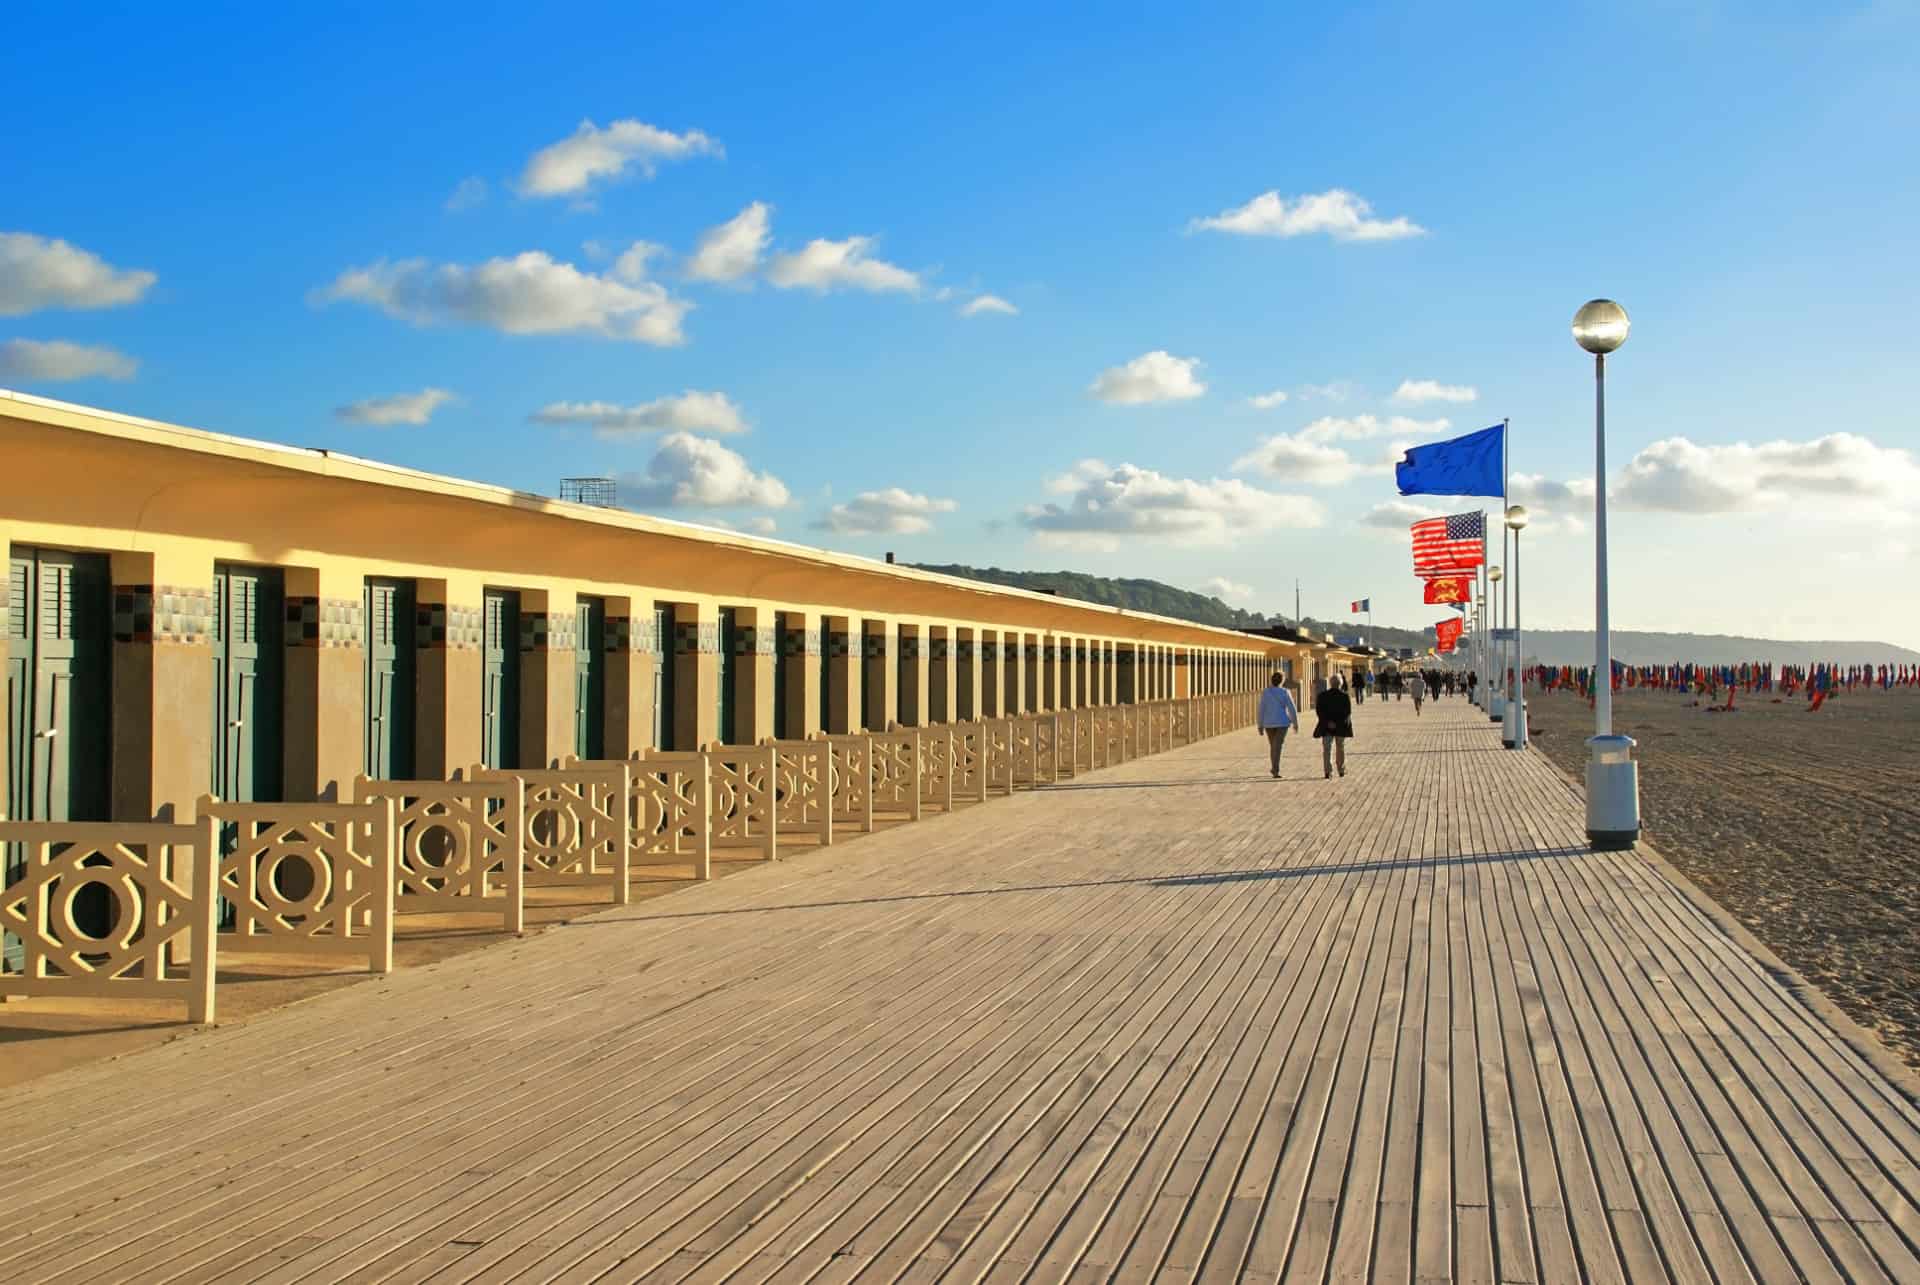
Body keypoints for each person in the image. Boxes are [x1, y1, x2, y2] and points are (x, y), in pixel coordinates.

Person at [1255, 671, 1300, 778]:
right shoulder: (1285, 692)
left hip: (1269, 723)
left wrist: (1260, 725)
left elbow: (1261, 709)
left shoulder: (1266, 692)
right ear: (1282, 681)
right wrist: (1295, 723)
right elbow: (1292, 708)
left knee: (1273, 746)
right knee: (1277, 746)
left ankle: (1274, 768)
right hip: (1282, 723)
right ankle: (1275, 769)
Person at [1313, 675, 1354, 779]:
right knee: (1340, 748)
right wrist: (1337, 723)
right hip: (1340, 727)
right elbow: (1347, 713)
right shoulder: (1345, 696)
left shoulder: (1322, 696)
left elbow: (1319, 712)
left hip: (1326, 727)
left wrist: (1328, 722)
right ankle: (1341, 770)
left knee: (1327, 749)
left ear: (1330, 683)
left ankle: (1328, 771)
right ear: (1340, 684)